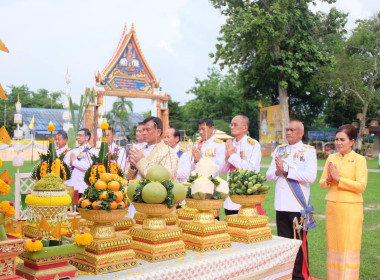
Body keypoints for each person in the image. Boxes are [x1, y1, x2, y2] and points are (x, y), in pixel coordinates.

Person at [266, 120, 317, 280]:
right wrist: (277, 170)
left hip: (297, 206)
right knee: (285, 245)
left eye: (292, 130)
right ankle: (287, 276)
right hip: (281, 205)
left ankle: (300, 277)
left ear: (301, 133)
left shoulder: (308, 151)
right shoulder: (279, 150)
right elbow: (269, 176)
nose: (288, 132)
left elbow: (311, 177)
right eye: (287, 129)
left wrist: (287, 169)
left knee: (299, 245)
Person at [319, 124, 367, 279]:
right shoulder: (331, 158)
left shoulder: (359, 160)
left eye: (342, 139)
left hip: (351, 210)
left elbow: (361, 186)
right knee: (334, 245)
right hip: (333, 208)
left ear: (352, 141)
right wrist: (328, 178)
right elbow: (322, 183)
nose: (338, 143)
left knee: (349, 246)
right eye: (336, 139)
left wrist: (340, 179)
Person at [222, 115, 262, 215]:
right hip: (230, 194)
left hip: (245, 195)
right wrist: (227, 159)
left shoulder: (253, 144)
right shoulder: (229, 144)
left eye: (235, 125)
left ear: (245, 128)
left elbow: (249, 169)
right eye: (231, 125)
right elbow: (223, 171)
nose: (232, 127)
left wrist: (232, 155)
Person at [125, 117, 178, 181]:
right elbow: (128, 176)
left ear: (158, 132)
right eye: (143, 130)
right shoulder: (140, 150)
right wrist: (132, 166)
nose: (144, 133)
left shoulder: (168, 152)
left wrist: (140, 161)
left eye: (148, 130)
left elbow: (165, 178)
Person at [65, 128, 96, 195]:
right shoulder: (74, 150)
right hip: (71, 184)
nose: (78, 137)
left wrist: (74, 161)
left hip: (82, 185)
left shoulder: (91, 151)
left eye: (80, 135)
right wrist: (70, 163)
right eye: (77, 135)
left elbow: (87, 166)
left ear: (87, 137)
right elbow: (67, 165)